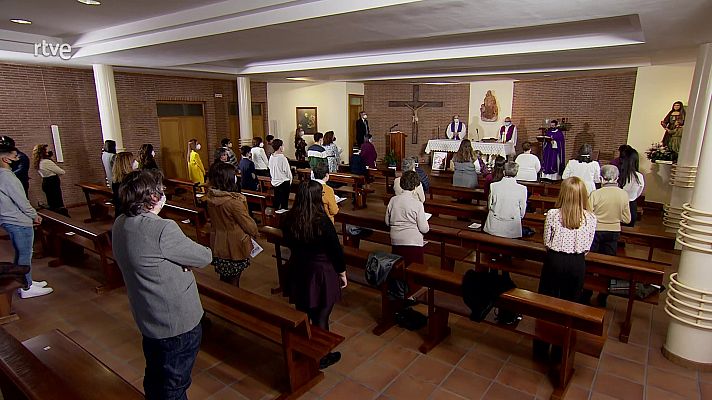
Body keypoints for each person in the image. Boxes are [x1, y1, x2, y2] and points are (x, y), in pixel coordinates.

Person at [112, 169, 212, 399]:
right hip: (176, 322)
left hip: (148, 315)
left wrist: (174, 262)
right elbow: (204, 257)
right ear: (153, 197)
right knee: (174, 386)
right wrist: (181, 263)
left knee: (157, 376)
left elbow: (145, 260)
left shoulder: (120, 222)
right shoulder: (161, 229)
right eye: (161, 190)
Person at [281, 181, 345, 369]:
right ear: (317, 198)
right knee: (322, 316)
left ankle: (306, 348)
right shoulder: (322, 221)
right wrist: (342, 272)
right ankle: (322, 355)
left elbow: (288, 242)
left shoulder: (288, 218)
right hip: (321, 272)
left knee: (305, 312)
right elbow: (335, 250)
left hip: (298, 268)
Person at [534, 176, 596, 359]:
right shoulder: (591, 218)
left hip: (554, 261)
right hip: (576, 264)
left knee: (547, 305)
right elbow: (587, 248)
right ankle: (561, 352)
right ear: (583, 196)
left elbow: (547, 241)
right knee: (570, 306)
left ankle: (541, 348)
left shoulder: (553, 214)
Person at [0, 141, 53, 298]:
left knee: (21, 252)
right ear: (6, 159)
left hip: (9, 218)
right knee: (24, 254)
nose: (18, 158)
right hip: (17, 221)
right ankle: (26, 287)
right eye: (15, 156)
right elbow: (21, 200)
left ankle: (25, 280)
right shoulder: (7, 177)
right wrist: (34, 215)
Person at [206, 163, 259, 286]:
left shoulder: (211, 197)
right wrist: (255, 231)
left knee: (224, 278)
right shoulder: (233, 202)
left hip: (218, 241)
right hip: (234, 244)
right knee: (234, 282)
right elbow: (249, 226)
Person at [587, 165, 631, 306]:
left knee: (591, 261)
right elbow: (627, 219)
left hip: (596, 231)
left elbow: (588, 215)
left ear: (601, 178)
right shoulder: (623, 194)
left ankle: (586, 292)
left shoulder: (596, 194)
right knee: (607, 264)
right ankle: (603, 295)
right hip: (613, 232)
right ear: (617, 178)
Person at [386, 171, 430, 266]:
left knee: (399, 268)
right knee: (415, 270)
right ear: (415, 186)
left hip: (395, 240)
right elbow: (424, 229)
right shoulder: (417, 204)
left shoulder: (393, 200)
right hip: (412, 242)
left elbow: (387, 222)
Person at [484, 162, 527, 238]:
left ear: (503, 172)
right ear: (517, 173)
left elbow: (490, 205)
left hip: (494, 225)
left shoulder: (494, 186)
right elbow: (522, 211)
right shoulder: (522, 189)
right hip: (512, 227)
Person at [32, 144, 69, 217]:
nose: (49, 151)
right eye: (47, 150)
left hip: (46, 182)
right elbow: (61, 172)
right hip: (52, 183)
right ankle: (63, 218)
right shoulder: (46, 162)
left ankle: (57, 217)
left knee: (52, 202)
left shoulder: (39, 161)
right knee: (57, 202)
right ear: (43, 152)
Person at [618, 146, 645, 227]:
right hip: (631, 206)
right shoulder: (639, 176)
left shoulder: (619, 175)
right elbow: (639, 192)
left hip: (618, 206)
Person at [268, 139, 292, 210]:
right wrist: (290, 181)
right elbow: (288, 172)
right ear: (280, 147)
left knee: (277, 201)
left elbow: (270, 168)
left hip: (275, 182)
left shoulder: (271, 157)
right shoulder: (283, 158)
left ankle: (276, 217)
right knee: (284, 204)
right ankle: (283, 218)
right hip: (284, 182)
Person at [111, 152, 135, 218]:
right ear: (127, 163)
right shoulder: (131, 179)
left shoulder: (116, 179)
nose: (134, 162)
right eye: (133, 161)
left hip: (120, 212)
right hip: (129, 213)